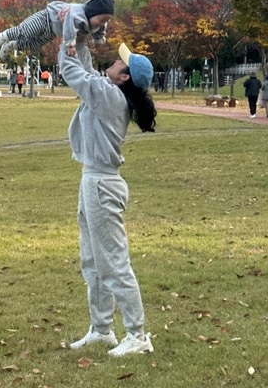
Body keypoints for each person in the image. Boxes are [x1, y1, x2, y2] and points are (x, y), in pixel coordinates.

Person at [58, 39, 156, 357]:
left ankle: (137, 334)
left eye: (119, 62)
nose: (114, 62)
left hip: (102, 183)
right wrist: (80, 41)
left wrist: (70, 38)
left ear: (124, 77)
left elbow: (74, 73)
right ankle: (101, 330)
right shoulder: (109, 91)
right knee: (93, 261)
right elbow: (84, 69)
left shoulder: (110, 96)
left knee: (113, 262)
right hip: (93, 180)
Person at [0, 0, 114, 61]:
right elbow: (69, 27)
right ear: (92, 12)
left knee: (33, 44)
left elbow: (101, 29)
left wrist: (99, 39)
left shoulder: (99, 24)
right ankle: (1, 36)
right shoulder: (77, 14)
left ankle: (12, 45)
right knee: (26, 31)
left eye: (106, 20)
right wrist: (70, 45)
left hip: (53, 32)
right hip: (47, 18)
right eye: (102, 19)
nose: (103, 23)